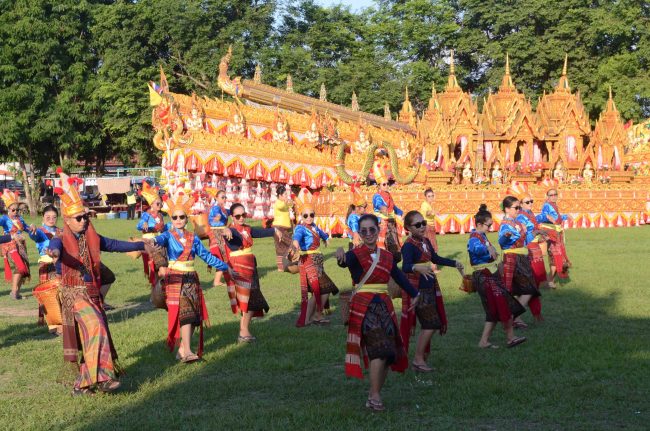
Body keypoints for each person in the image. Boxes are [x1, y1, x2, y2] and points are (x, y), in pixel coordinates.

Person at [47, 169, 146, 396]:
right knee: (95, 327)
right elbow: (56, 247)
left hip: (92, 295)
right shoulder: (60, 238)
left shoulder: (91, 238)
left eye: (85, 217)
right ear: (67, 220)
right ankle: (102, 379)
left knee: (94, 334)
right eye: (79, 218)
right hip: (74, 295)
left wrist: (141, 245)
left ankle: (82, 384)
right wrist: (54, 253)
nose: (84, 221)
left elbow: (114, 244)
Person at [335, 214, 419, 412]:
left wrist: (414, 293)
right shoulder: (355, 254)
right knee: (379, 350)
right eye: (363, 231)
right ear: (360, 233)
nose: (368, 234)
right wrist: (339, 253)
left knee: (389, 353)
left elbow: (399, 277)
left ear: (378, 229)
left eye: (371, 230)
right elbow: (344, 261)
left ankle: (373, 395)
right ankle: (375, 395)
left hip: (384, 307)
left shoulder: (387, 256)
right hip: (363, 308)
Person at [153, 190, 233, 363]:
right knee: (185, 313)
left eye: (182, 217)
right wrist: (147, 244)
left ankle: (182, 349)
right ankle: (188, 351)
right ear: (171, 219)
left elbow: (206, 256)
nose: (179, 220)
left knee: (193, 316)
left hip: (191, 279)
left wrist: (225, 266)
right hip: (175, 279)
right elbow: (156, 242)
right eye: (175, 218)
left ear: (187, 218)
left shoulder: (193, 238)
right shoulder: (167, 235)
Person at [400, 210, 464, 372]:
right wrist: (416, 267)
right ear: (408, 227)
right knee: (431, 324)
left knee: (431, 324)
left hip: (429, 287)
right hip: (418, 291)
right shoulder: (408, 246)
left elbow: (435, 259)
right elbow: (405, 266)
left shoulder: (426, 241)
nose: (422, 227)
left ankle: (420, 358)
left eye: (423, 223)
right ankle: (418, 359)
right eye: (417, 225)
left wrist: (454, 263)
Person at [468, 204, 526, 348]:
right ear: (480, 224)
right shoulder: (475, 238)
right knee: (502, 305)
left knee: (493, 309)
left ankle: (484, 341)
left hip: (487, 276)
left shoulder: (481, 235)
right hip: (484, 276)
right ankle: (510, 337)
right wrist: (488, 249)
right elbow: (474, 249)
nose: (490, 228)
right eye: (488, 225)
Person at [223, 203, 275, 343]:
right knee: (247, 299)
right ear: (232, 217)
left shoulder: (247, 228)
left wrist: (277, 230)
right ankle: (243, 331)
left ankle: (243, 330)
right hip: (239, 267)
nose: (241, 218)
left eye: (243, 215)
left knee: (253, 298)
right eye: (237, 216)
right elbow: (227, 234)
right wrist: (225, 230)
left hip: (250, 265)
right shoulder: (231, 230)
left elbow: (262, 232)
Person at [292, 190, 338, 327]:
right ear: (301, 216)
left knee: (324, 289)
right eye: (306, 215)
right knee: (322, 289)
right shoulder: (300, 228)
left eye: (311, 215)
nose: (309, 217)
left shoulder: (314, 226)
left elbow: (321, 233)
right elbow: (296, 239)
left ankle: (316, 316)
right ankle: (308, 318)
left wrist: (326, 239)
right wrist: (295, 246)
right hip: (309, 262)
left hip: (318, 262)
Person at [498, 196, 543, 327]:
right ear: (507, 209)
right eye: (516, 207)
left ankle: (513, 317)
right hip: (513, 259)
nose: (518, 210)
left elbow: (524, 240)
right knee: (528, 289)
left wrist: (535, 233)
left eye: (519, 207)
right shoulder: (506, 225)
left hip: (521, 259)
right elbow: (502, 242)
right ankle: (512, 316)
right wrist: (506, 237)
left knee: (522, 289)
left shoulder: (517, 223)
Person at [28, 205, 62, 333]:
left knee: (59, 294)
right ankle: (52, 325)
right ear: (43, 217)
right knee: (47, 295)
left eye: (54, 217)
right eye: (48, 217)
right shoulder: (41, 231)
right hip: (46, 266)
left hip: (59, 265)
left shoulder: (60, 231)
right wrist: (32, 232)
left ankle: (60, 321)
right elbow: (35, 235)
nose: (51, 219)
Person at [512, 184, 549, 288]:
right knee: (532, 266)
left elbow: (535, 222)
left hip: (534, 243)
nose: (530, 203)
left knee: (538, 264)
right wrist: (537, 233)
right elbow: (525, 232)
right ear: (521, 204)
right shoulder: (520, 215)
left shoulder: (530, 212)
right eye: (527, 202)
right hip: (528, 244)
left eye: (531, 201)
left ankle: (536, 286)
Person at [0, 189, 34, 299]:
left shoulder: (20, 219)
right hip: (10, 246)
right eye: (13, 210)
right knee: (20, 267)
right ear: (7, 209)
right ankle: (14, 292)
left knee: (24, 268)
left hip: (21, 245)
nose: (15, 212)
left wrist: (32, 228)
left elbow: (27, 229)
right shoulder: (4, 219)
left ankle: (16, 293)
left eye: (17, 210)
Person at [538, 186, 572, 287]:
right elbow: (544, 216)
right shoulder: (547, 205)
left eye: (555, 194)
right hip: (550, 233)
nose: (553, 196)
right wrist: (549, 219)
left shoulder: (554, 205)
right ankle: (548, 281)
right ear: (547, 196)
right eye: (551, 195)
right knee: (556, 256)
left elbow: (557, 218)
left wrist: (566, 216)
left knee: (556, 257)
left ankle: (550, 280)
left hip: (555, 232)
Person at [136, 182, 168, 288]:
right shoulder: (147, 214)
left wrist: (173, 226)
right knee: (155, 266)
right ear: (151, 204)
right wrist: (143, 224)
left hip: (159, 241)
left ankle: (159, 288)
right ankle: (156, 287)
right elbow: (139, 225)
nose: (160, 205)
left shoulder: (160, 215)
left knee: (161, 265)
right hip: (150, 243)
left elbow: (163, 228)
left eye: (161, 204)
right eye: (158, 204)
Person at [372, 165, 403, 258]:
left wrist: (400, 212)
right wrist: (382, 207)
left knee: (394, 248)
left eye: (387, 184)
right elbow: (378, 204)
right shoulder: (377, 196)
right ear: (379, 186)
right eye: (384, 184)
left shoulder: (388, 194)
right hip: (382, 223)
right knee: (382, 246)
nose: (386, 186)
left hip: (391, 223)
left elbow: (393, 206)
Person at [205, 188, 232, 287]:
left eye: (225, 197)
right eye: (222, 197)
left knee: (223, 256)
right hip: (216, 234)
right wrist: (217, 217)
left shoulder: (224, 209)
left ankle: (220, 280)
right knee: (221, 256)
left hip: (221, 233)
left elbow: (232, 211)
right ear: (216, 198)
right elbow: (216, 215)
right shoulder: (216, 208)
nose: (224, 199)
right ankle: (217, 281)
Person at [272, 185, 293, 271]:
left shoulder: (284, 202)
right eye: (285, 194)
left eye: (287, 194)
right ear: (280, 196)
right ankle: (281, 267)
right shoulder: (278, 203)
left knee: (287, 246)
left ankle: (286, 265)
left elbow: (291, 205)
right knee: (281, 246)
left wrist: (289, 202)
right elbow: (282, 207)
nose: (286, 196)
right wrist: (286, 201)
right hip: (279, 227)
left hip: (286, 227)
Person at [419, 188, 439, 253]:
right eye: (429, 196)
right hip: (427, 226)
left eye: (432, 196)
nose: (431, 198)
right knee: (432, 245)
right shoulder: (424, 204)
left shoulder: (429, 205)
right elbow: (427, 213)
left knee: (431, 244)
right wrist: (432, 211)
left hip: (430, 226)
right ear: (425, 197)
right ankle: (434, 261)